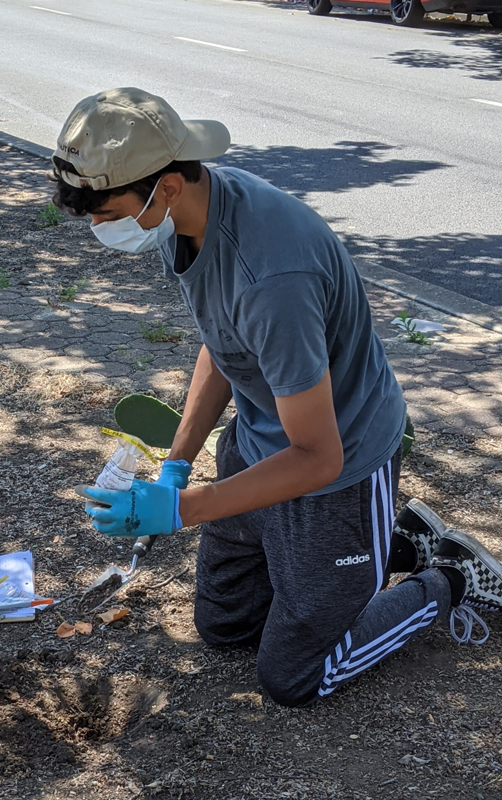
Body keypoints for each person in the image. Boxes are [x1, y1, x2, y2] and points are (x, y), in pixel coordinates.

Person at [56, 88, 502, 707]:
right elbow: (224, 339)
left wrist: (182, 511)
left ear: (165, 187)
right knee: (226, 629)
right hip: (263, 442)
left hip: (335, 466)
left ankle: (450, 575)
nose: (100, 228)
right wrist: (177, 465)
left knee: (295, 675)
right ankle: (390, 542)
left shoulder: (274, 277)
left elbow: (319, 457)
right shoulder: (193, 211)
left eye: (106, 214)